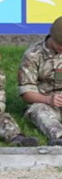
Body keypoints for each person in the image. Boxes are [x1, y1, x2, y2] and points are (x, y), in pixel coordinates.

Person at [18, 16, 62, 146]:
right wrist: (48, 99)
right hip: (44, 103)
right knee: (39, 111)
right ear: (52, 38)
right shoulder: (32, 55)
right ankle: (59, 137)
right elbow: (26, 93)